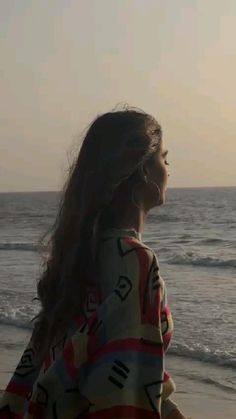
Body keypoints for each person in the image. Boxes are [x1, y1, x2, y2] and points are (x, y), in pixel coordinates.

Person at [0, 106, 189, 418]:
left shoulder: (80, 253)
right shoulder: (135, 260)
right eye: (164, 159)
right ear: (141, 170)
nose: (169, 169)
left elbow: (65, 357)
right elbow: (120, 387)